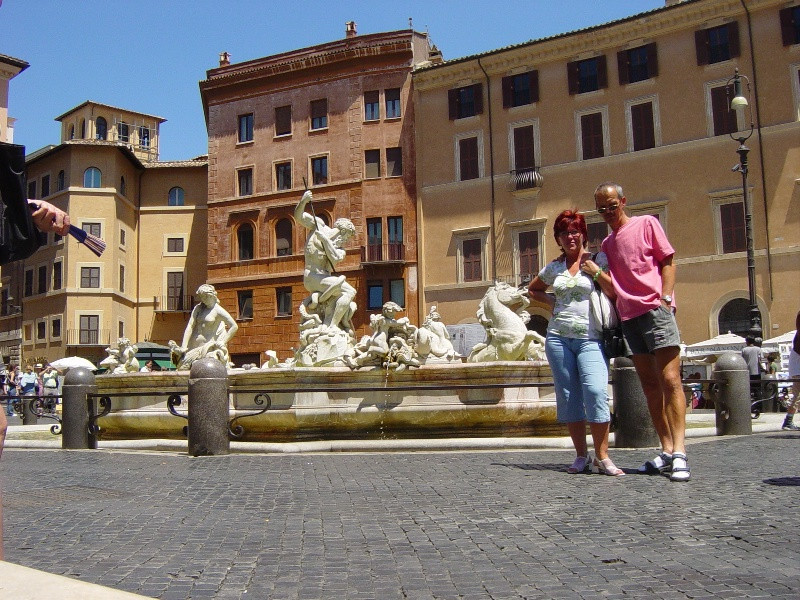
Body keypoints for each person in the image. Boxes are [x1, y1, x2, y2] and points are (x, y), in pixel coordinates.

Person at [594, 182, 690, 482]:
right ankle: (666, 448)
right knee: (649, 385)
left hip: (655, 310)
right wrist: (595, 272)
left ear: (623, 201)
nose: (608, 212)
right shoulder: (607, 245)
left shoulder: (647, 223)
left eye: (612, 205)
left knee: (671, 379)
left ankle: (680, 452)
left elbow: (668, 261)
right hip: (629, 318)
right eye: (602, 209)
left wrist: (665, 298)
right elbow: (613, 288)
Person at [528, 209, 623, 476]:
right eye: (564, 233)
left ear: (583, 234)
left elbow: (614, 291)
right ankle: (581, 455)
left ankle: (602, 457)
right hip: (558, 339)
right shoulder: (554, 267)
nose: (569, 236)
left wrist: (596, 273)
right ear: (558, 238)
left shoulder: (597, 260)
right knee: (569, 397)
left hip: (590, 338)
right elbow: (533, 288)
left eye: (574, 231)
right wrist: (548, 300)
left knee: (595, 392)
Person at [295, 190, 357, 334]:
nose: (346, 241)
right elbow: (298, 217)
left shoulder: (340, 250)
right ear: (343, 232)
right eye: (347, 237)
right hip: (312, 276)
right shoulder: (319, 225)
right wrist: (303, 201)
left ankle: (332, 324)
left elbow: (334, 257)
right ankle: (331, 326)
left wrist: (325, 240)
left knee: (349, 292)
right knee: (349, 290)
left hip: (324, 278)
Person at [170, 284, 239, 370]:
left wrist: (223, 341)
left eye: (205, 297)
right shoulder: (198, 308)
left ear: (211, 296)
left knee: (205, 368)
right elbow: (190, 326)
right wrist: (184, 347)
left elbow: (234, 326)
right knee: (181, 368)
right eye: (201, 297)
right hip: (194, 348)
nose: (203, 300)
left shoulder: (218, 310)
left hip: (209, 348)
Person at [782, 311, 800, 431]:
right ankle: (788, 422)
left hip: (796, 369)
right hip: (798, 371)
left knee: (797, 396)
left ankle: (788, 421)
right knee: (797, 396)